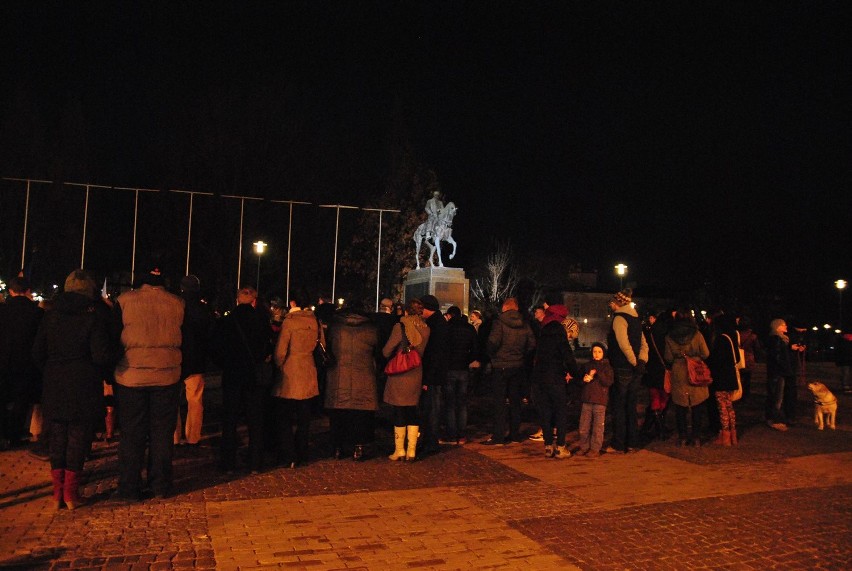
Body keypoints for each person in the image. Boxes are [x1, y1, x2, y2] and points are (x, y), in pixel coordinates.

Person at [32, 270, 111, 509]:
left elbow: (37, 352)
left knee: (57, 435)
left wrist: (51, 368)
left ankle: (57, 493)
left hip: (54, 382)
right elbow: (101, 355)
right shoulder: (93, 317)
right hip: (83, 382)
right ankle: (70, 494)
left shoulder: (50, 315)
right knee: (77, 436)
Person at [111, 267, 184, 501]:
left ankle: (129, 487)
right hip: (166, 375)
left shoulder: (123, 302)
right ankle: (161, 485)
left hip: (131, 375)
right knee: (162, 433)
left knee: (132, 434)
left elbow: (113, 338)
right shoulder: (177, 303)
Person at [211, 286, 272, 472]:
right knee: (255, 422)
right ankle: (255, 463)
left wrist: (226, 364)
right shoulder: (261, 321)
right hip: (253, 377)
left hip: (232, 376)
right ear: (254, 300)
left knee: (230, 422)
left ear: (237, 300)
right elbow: (267, 348)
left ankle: (228, 464)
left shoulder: (227, 321)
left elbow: (216, 350)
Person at [325, 303, 379, 460]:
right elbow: (376, 350)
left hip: (338, 376)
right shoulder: (371, 328)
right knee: (360, 415)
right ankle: (359, 447)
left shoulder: (335, 327)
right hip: (364, 376)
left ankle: (338, 448)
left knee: (339, 413)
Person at [273, 295, 321, 468]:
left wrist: (278, 365)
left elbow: (281, 350)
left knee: (285, 418)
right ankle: (302, 453)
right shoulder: (314, 321)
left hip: (290, 372)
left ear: (292, 303)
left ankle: (288, 454)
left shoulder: (290, 322)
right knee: (304, 418)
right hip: (308, 369)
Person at [482, 297, 536, 445]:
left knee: (499, 402)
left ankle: (499, 435)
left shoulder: (499, 322)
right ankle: (515, 433)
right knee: (515, 402)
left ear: (505, 307)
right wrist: (521, 355)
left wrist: (493, 356)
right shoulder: (524, 323)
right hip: (517, 366)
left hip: (500, 366)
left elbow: (493, 342)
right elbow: (531, 343)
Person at [383, 298, 430, 462]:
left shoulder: (400, 326)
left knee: (399, 411)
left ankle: (399, 450)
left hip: (400, 373)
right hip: (416, 373)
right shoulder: (426, 329)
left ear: (406, 311)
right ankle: (412, 451)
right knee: (412, 411)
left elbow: (387, 349)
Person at [0, 275, 43, 451]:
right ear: (27, 291)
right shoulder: (37, 313)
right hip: (26, 362)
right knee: (21, 400)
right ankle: (14, 435)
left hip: (3, 360)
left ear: (10, 291)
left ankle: (3, 432)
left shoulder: (2, 310)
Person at [530, 304, 577, 458]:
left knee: (546, 411)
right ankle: (561, 447)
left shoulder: (543, 329)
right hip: (555, 376)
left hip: (540, 377)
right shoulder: (558, 330)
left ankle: (548, 446)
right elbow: (566, 354)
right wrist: (575, 372)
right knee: (560, 411)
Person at [605, 288, 648, 454]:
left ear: (618, 303)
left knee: (619, 405)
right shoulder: (636, 319)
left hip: (623, 366)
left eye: (613, 302)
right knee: (631, 405)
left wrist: (633, 361)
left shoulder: (619, 319)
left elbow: (624, 344)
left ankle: (618, 443)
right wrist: (642, 361)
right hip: (636, 368)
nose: (611, 305)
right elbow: (644, 343)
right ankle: (632, 442)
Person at [174, 275, 214, 446]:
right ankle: (193, 437)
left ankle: (174, 437)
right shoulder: (203, 310)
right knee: (195, 401)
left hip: (175, 358)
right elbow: (210, 335)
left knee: (172, 401)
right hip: (196, 360)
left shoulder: (175, 307)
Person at [664, 310, 711, 447]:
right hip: (695, 369)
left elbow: (668, 357)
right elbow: (706, 353)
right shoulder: (696, 334)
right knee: (697, 404)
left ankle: (683, 436)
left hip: (678, 370)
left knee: (680, 406)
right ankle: (696, 437)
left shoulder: (669, 336)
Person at [443, 305, 478, 444]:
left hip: (450, 368)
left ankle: (452, 434)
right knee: (462, 403)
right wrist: (468, 360)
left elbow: (442, 349)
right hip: (463, 368)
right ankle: (462, 434)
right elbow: (476, 348)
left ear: (450, 315)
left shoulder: (447, 329)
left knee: (450, 403)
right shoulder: (469, 328)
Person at [418, 294, 448, 455]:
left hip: (434, 376)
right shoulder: (438, 322)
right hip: (435, 374)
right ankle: (429, 439)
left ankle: (431, 441)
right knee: (431, 408)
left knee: (432, 409)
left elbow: (435, 354)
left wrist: (428, 378)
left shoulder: (435, 325)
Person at [576, 342, 614, 458]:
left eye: (599, 352)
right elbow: (579, 381)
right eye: (594, 351)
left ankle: (595, 448)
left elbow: (608, 382)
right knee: (584, 426)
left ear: (603, 353)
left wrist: (598, 373)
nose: (596, 354)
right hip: (587, 400)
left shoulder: (607, 367)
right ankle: (584, 446)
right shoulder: (587, 365)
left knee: (598, 427)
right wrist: (584, 379)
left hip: (600, 401)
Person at [708, 315, 741, 446]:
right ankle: (733, 436)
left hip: (721, 377)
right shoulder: (731, 338)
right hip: (731, 377)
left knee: (722, 408)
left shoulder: (721, 339)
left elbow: (716, 360)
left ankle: (725, 437)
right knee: (729, 407)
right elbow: (737, 358)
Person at [641, 311, 672, 441]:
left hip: (652, 370)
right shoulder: (668, 332)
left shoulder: (650, 332)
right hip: (666, 369)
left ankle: (658, 430)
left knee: (654, 398)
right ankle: (660, 428)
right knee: (664, 398)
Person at [765, 319, 796, 431]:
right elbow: (778, 356)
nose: (786, 326)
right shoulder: (777, 339)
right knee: (776, 396)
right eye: (783, 324)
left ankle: (773, 418)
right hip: (777, 372)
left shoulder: (782, 340)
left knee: (777, 395)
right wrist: (785, 368)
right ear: (777, 327)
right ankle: (774, 420)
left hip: (778, 372)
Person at [737, 316, 762, 398]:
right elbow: (757, 348)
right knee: (747, 379)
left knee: (739, 378)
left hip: (738, 358)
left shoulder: (737, 334)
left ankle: (738, 394)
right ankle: (745, 395)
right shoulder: (752, 336)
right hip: (748, 359)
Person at [836, 329, 852, 395]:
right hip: (845, 361)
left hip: (848, 361)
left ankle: (848, 385)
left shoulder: (847, 342)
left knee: (847, 373)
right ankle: (845, 386)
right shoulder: (842, 342)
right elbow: (839, 353)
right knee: (846, 373)